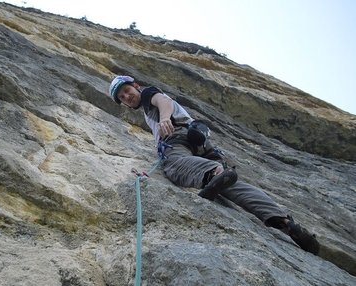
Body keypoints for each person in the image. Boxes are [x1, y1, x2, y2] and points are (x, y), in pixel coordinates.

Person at [108, 75, 320, 255]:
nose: (127, 97)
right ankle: (284, 222)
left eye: (127, 91)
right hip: (202, 143)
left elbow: (163, 100)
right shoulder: (144, 106)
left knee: (173, 165)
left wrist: (165, 119)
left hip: (178, 137)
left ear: (136, 86)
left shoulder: (148, 95)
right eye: (122, 97)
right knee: (231, 186)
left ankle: (213, 171)